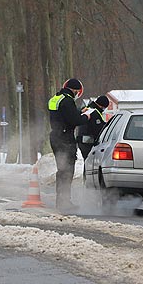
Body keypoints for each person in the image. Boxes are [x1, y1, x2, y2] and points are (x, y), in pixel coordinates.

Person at [48, 78, 91, 211]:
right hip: (65, 138)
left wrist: (79, 112)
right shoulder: (68, 100)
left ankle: (60, 200)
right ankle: (64, 202)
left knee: (61, 170)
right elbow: (73, 120)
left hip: (55, 136)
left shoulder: (56, 98)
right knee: (67, 171)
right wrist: (85, 117)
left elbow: (63, 115)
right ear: (75, 90)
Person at [76, 95, 109, 160]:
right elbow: (98, 129)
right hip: (88, 143)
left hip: (82, 141)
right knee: (90, 163)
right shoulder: (94, 112)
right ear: (101, 105)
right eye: (104, 107)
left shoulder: (88, 108)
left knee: (87, 162)